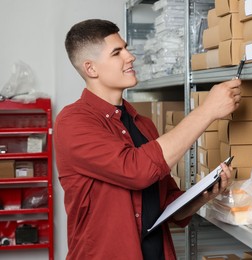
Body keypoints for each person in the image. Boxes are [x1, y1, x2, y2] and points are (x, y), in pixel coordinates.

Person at [54, 19, 241, 260]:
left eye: (126, 48)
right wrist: (207, 111)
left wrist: (207, 193)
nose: (130, 57)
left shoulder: (143, 124)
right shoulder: (73, 122)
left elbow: (167, 205)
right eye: (117, 52)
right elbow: (136, 170)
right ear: (91, 69)